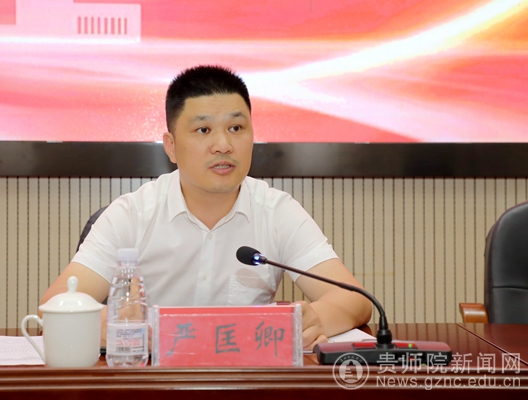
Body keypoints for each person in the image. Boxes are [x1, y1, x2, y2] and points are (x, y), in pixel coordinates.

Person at [40, 65, 372, 349]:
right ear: (171, 146)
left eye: (236, 128)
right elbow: (53, 306)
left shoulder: (277, 211)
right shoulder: (132, 214)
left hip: (245, 382)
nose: (223, 145)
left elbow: (355, 300)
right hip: (151, 383)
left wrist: (315, 320)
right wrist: (106, 323)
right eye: (203, 130)